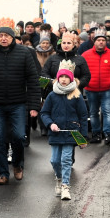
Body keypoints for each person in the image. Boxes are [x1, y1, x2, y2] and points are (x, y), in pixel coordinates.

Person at [0, 25, 42, 184]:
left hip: (18, 103)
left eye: (7, 35)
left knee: (18, 136)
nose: (3, 38)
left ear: (13, 37)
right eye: (1, 35)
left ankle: (18, 165)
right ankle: (3, 173)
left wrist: (34, 106)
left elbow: (33, 81)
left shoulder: (24, 53)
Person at [40, 61, 89, 201]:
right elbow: (44, 113)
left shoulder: (76, 95)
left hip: (71, 132)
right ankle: (59, 179)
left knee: (66, 159)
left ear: (71, 79)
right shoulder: (52, 95)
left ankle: (66, 186)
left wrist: (83, 137)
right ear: (57, 78)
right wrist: (50, 124)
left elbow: (83, 116)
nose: (63, 79)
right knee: (55, 160)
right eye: (61, 77)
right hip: (56, 133)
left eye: (66, 77)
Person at [81, 31, 110, 145]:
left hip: (107, 89)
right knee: (94, 112)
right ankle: (96, 134)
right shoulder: (86, 55)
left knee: (107, 112)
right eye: (98, 40)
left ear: (106, 42)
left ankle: (108, 135)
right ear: (94, 42)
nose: (101, 42)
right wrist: (86, 82)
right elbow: (80, 69)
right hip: (91, 89)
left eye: (103, 40)